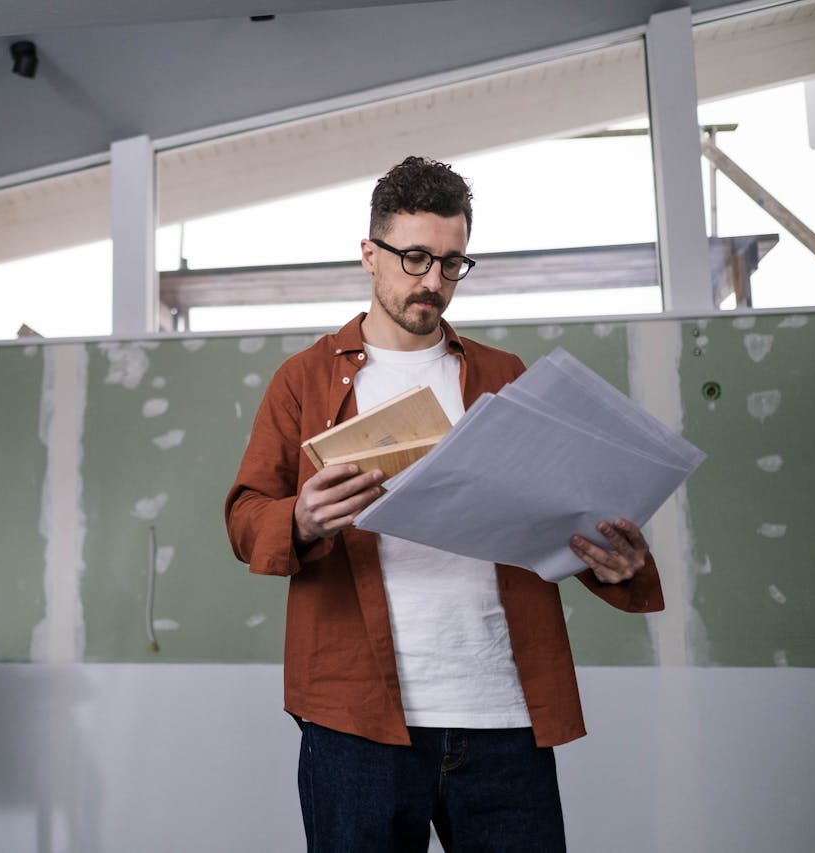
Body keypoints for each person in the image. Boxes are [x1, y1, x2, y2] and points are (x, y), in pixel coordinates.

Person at [223, 156, 664, 853]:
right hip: (358, 722)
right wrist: (301, 519)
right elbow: (246, 517)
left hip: (505, 717)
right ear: (370, 255)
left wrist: (612, 561)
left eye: (453, 262)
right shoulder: (303, 379)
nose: (433, 281)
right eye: (416, 257)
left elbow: (549, 512)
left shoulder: (502, 376)